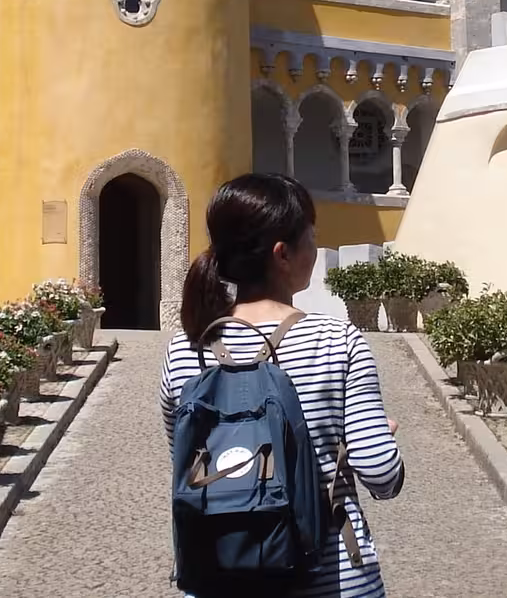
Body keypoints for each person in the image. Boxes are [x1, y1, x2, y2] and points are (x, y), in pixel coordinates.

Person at [161, 174, 404, 597]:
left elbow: (189, 462)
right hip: (331, 582)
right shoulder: (336, 341)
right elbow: (380, 474)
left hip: (217, 577)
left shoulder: (187, 349)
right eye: (311, 236)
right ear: (283, 255)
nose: (315, 247)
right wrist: (382, 438)